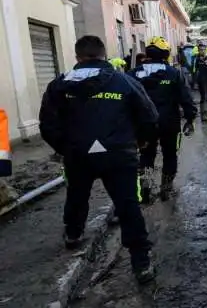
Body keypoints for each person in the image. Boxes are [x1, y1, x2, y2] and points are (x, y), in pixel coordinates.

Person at [38, 35, 158, 284]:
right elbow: (148, 115)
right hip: (119, 154)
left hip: (77, 155)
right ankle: (141, 263)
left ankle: (73, 234)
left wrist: (65, 148)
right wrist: (141, 141)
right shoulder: (124, 81)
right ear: (104, 55)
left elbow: (47, 124)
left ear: (77, 57)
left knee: (77, 194)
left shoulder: (59, 85)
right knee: (128, 206)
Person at [129, 37, 197, 203]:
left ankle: (146, 190)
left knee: (146, 156)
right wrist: (190, 118)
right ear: (166, 54)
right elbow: (186, 99)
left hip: (143, 126)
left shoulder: (133, 74)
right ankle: (166, 190)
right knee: (170, 155)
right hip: (169, 124)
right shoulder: (174, 73)